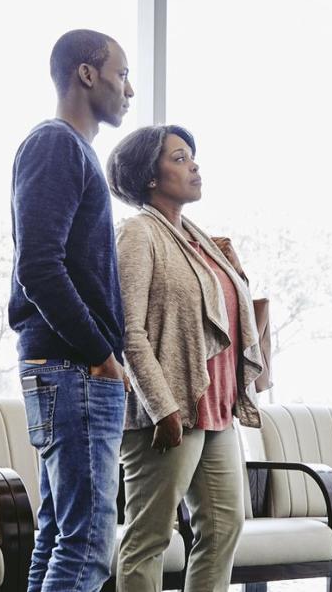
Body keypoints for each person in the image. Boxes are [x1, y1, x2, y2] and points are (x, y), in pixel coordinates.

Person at [106, 124, 265, 592]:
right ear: (149, 175)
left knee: (223, 529)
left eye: (192, 156)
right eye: (178, 158)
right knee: (150, 537)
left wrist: (235, 272)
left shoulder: (198, 240)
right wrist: (162, 406)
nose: (193, 165)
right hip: (168, 413)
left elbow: (230, 317)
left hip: (215, 411)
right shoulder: (138, 233)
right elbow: (127, 329)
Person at [9, 28, 134, 592]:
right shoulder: (56, 145)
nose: (128, 89)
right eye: (122, 74)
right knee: (86, 546)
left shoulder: (72, 150)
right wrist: (102, 355)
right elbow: (38, 267)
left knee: (60, 536)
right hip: (73, 368)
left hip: (68, 369)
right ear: (87, 73)